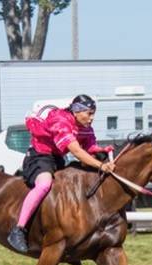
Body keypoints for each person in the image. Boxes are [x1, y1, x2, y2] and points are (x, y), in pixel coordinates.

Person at [7, 94, 116, 253]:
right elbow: (77, 151)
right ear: (76, 112)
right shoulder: (60, 121)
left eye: (93, 113)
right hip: (39, 157)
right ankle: (18, 229)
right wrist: (101, 166)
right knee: (44, 185)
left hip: (57, 158)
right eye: (89, 113)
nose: (92, 118)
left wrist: (102, 150)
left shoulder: (85, 126)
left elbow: (90, 147)